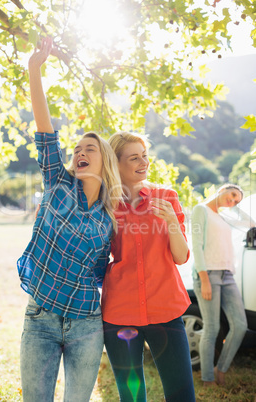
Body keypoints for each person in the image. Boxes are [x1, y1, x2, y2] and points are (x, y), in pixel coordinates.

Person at [17, 37, 123, 401]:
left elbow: (101, 270)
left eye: (88, 149)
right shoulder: (57, 181)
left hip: (86, 324)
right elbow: (45, 131)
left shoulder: (111, 215)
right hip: (41, 319)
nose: (79, 152)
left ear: (103, 161)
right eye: (77, 149)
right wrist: (35, 69)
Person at [101, 132, 196, 401]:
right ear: (116, 164)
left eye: (145, 156)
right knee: (132, 396)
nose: (144, 162)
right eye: (134, 158)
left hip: (165, 307)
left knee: (182, 394)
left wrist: (172, 224)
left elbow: (181, 256)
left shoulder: (166, 196)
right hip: (120, 312)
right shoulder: (105, 205)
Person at [191, 184, 248, 386]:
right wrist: (204, 278)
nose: (231, 201)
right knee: (212, 328)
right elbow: (196, 245)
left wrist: (236, 204)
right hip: (209, 275)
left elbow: (250, 223)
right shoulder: (201, 210)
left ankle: (220, 368)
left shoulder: (224, 217)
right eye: (231, 195)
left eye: (236, 201)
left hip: (227, 276)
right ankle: (207, 379)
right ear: (222, 189)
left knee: (240, 325)